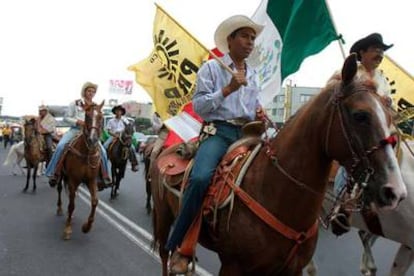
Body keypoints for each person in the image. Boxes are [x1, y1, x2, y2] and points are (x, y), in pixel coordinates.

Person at [166, 15, 264, 274]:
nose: (250, 42)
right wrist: (228, 89)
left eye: (252, 38)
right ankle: (181, 245)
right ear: (230, 40)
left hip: (248, 134)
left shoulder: (254, 74)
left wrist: (261, 113)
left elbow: (253, 107)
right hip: (219, 133)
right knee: (200, 179)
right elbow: (199, 106)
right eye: (244, 36)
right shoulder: (211, 68)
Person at [330, 33, 394, 235]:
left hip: (376, 132)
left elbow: (388, 109)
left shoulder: (382, 79)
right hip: (353, 131)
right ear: (362, 53)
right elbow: (330, 91)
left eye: (382, 51)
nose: (380, 54)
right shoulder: (349, 72)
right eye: (376, 49)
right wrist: (341, 82)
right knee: (353, 158)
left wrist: (388, 105)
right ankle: (343, 204)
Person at [45, 82, 111, 189]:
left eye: (93, 92)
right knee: (61, 146)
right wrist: (78, 122)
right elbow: (66, 117)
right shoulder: (75, 103)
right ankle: (53, 172)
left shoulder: (95, 106)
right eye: (89, 91)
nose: (91, 93)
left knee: (102, 151)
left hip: (89, 132)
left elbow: (98, 120)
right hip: (75, 130)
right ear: (84, 91)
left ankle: (105, 176)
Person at [103, 105, 138, 172]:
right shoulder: (111, 121)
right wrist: (114, 135)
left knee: (132, 148)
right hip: (114, 136)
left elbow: (129, 128)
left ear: (122, 112)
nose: (118, 112)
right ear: (115, 112)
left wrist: (125, 133)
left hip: (123, 137)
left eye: (120, 111)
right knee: (105, 146)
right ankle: (103, 164)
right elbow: (109, 131)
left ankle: (134, 164)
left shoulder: (125, 120)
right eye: (117, 110)